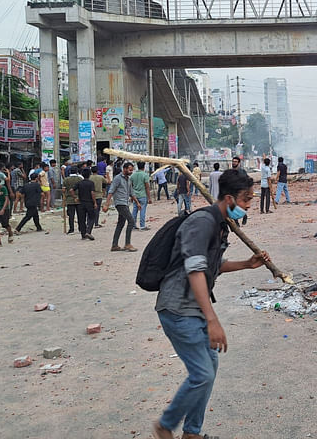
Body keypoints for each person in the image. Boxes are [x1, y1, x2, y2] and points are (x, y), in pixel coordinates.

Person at [151, 169, 270, 439]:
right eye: (246, 200)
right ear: (229, 198)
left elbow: (211, 268)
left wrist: (247, 265)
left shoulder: (219, 225)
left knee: (209, 369)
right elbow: (194, 271)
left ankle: (192, 432)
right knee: (202, 373)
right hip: (178, 309)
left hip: (193, 310)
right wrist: (212, 319)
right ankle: (165, 425)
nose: (249, 206)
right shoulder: (202, 223)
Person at [103, 161, 141, 252]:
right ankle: (127, 244)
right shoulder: (117, 178)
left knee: (121, 223)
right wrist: (106, 204)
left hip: (125, 203)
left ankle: (114, 245)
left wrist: (137, 202)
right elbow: (111, 191)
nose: (131, 172)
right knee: (131, 221)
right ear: (124, 169)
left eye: (132, 170)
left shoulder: (128, 179)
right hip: (120, 203)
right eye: (130, 170)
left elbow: (131, 192)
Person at [73, 167, 97, 240]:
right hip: (89, 203)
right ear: (90, 174)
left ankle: (83, 235)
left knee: (81, 219)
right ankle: (88, 231)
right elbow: (92, 193)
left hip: (81, 203)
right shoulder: (91, 183)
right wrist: (95, 202)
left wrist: (75, 197)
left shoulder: (79, 183)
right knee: (92, 217)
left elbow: (71, 190)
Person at [131, 162, 152, 231]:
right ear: (144, 167)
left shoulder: (133, 175)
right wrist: (149, 198)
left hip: (135, 196)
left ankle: (133, 225)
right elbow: (147, 187)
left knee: (134, 211)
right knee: (142, 211)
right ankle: (142, 226)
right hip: (143, 195)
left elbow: (131, 186)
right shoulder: (145, 175)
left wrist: (131, 196)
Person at [62, 167, 83, 234]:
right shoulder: (80, 179)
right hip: (79, 198)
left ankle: (71, 229)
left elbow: (64, 190)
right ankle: (81, 228)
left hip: (69, 199)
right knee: (80, 215)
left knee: (71, 215)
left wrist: (64, 196)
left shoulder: (66, 179)